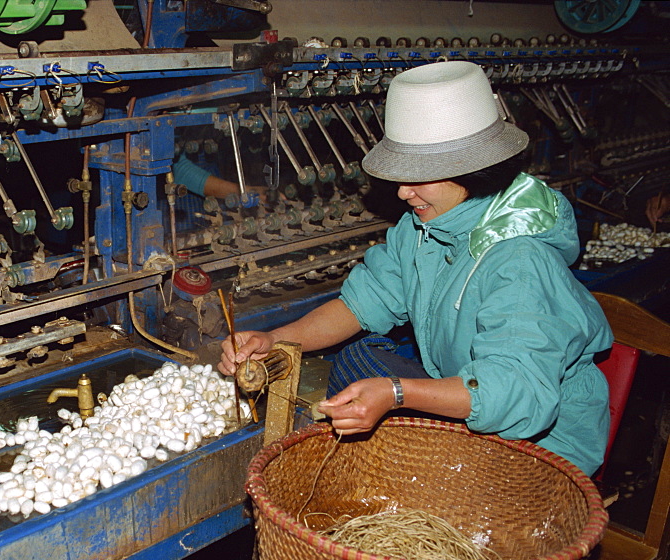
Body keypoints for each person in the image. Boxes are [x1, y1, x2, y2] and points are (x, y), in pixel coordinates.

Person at [219, 61, 613, 476]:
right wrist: (276, 339)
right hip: (473, 414)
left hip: (541, 451)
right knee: (357, 361)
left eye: (420, 177)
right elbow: (363, 303)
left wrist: (396, 393)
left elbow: (512, 394)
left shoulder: (519, 259)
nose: (403, 193)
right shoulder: (421, 229)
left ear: (473, 170)